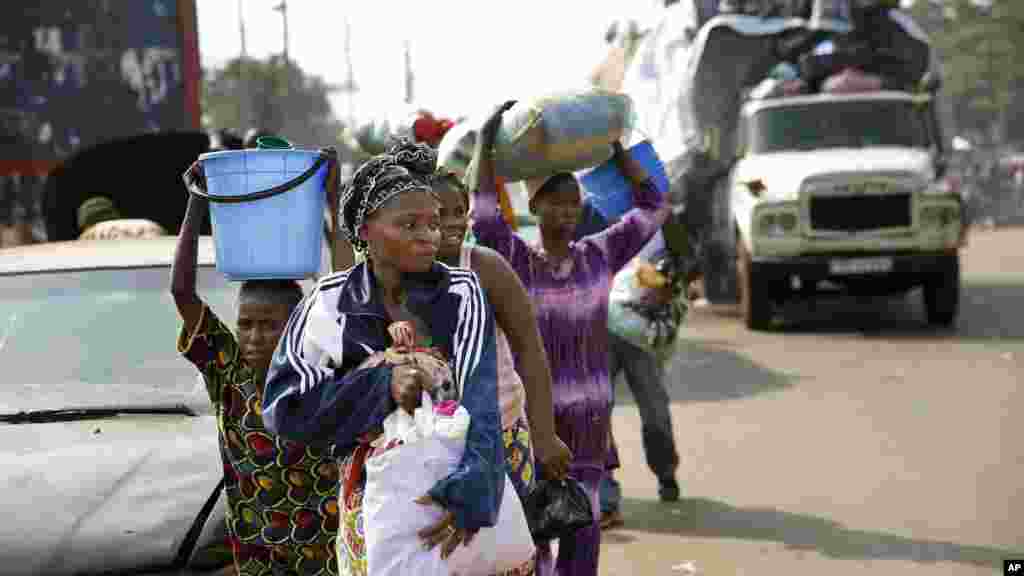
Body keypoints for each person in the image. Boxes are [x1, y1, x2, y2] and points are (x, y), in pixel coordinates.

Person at [261, 142, 506, 576]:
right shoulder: (328, 302)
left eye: (432, 223)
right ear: (365, 230)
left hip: (455, 502)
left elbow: (482, 404)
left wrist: (470, 494)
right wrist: (381, 386)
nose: (429, 235)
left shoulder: (462, 293)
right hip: (375, 505)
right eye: (409, 224)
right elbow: (285, 407)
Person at [468, 102, 669, 576]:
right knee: (533, 524)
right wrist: (485, 146)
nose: (566, 211)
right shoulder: (516, 259)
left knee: (584, 526)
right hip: (535, 418)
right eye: (555, 202)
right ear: (534, 207)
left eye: (573, 202)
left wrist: (621, 156)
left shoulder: (600, 255)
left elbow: (654, 207)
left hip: (590, 416)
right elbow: (484, 216)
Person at [171, 193, 340, 575]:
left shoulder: (321, 373)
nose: (253, 337)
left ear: (297, 327)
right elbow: (182, 292)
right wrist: (197, 202)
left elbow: (344, 289)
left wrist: (331, 193)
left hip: (328, 561)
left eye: (268, 325)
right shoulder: (229, 375)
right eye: (245, 324)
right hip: (257, 564)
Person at [428, 160, 574, 500]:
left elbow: (530, 351)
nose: (451, 222)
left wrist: (544, 435)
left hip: (501, 428)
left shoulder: (486, 267)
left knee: (509, 542)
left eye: (459, 211)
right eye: (439, 213)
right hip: (430, 438)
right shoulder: (401, 275)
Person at [573, 195, 682, 532]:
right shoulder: (592, 211)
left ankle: (665, 471)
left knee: (655, 414)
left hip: (642, 330)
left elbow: (687, 263)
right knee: (595, 414)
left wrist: (670, 284)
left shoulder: (661, 214)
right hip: (599, 325)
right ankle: (605, 502)